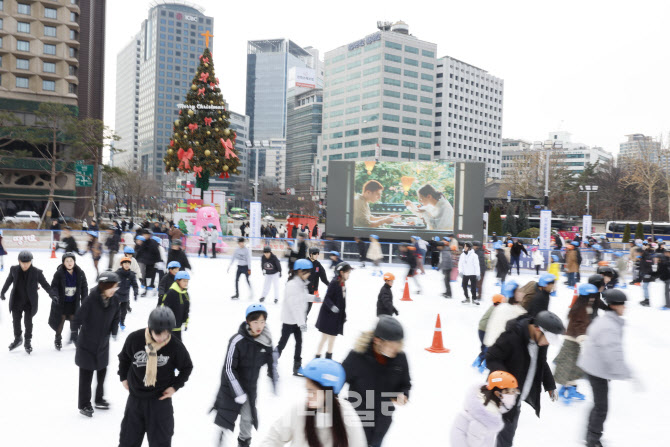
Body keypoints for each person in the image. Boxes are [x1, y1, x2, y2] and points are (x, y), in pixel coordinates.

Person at [485, 311, 565, 447]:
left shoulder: (541, 343)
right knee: (488, 435)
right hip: (500, 396)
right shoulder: (511, 337)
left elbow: (542, 363)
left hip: (515, 399)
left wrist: (550, 384)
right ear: (537, 329)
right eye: (548, 339)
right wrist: (506, 380)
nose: (548, 343)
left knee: (507, 437)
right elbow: (492, 358)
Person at [118, 307, 193, 446]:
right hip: (136, 401)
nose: (162, 338)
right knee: (128, 442)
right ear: (150, 327)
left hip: (160, 402)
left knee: (161, 443)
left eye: (166, 333)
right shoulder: (135, 339)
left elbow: (187, 367)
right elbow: (124, 359)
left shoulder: (174, 346)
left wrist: (175, 387)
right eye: (158, 333)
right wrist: (123, 377)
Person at [262, 358, 367, 446]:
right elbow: (273, 438)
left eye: (313, 392)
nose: (308, 396)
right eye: (307, 390)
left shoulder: (347, 415)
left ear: (328, 393)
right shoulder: (299, 411)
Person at [213, 304, 278, 447]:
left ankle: (243, 443)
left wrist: (274, 380)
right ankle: (221, 438)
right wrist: (237, 391)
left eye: (262, 321)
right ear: (248, 322)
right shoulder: (237, 340)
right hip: (231, 384)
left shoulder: (266, 342)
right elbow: (229, 369)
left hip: (249, 388)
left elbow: (271, 363)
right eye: (255, 322)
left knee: (247, 419)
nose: (259, 325)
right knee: (227, 415)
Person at [342, 316, 411, 447]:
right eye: (391, 346)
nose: (395, 350)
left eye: (398, 346)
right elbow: (337, 383)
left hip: (382, 423)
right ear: (377, 341)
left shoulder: (400, 359)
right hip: (356, 424)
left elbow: (405, 383)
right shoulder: (357, 357)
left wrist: (403, 394)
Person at [577, 289, 634, 447]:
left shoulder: (608, 321)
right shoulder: (609, 325)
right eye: (623, 305)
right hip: (597, 370)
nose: (625, 308)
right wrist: (627, 374)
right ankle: (593, 440)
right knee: (601, 407)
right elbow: (612, 353)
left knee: (598, 405)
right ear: (615, 306)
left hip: (594, 367)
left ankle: (590, 435)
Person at [72, 271, 120, 417]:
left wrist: (114, 330)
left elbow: (116, 316)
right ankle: (84, 404)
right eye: (112, 287)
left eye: (116, 287)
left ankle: (99, 399)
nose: (114, 290)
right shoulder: (91, 299)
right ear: (103, 286)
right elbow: (78, 317)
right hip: (87, 344)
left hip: (102, 344)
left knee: (101, 372)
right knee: (86, 376)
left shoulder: (115, 300)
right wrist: (74, 333)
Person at [2, 250, 56, 353]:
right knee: (16, 321)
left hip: (29, 302)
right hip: (16, 301)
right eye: (23, 262)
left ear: (31, 261)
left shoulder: (36, 272)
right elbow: (8, 281)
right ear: (19, 261)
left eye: (28, 262)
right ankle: (18, 338)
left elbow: (45, 285)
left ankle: (27, 340)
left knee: (28, 322)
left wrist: (52, 295)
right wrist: (3, 292)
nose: (25, 264)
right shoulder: (14, 269)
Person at [554, 283, 598, 405]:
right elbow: (578, 324)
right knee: (569, 367)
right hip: (572, 341)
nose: (594, 298)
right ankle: (567, 390)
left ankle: (569, 389)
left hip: (575, 341)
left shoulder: (584, 306)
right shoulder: (580, 308)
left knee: (574, 368)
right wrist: (582, 337)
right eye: (592, 295)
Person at [450, 371, 520, 447]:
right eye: (510, 392)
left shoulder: (488, 402)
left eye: (515, 391)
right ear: (497, 394)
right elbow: (473, 443)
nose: (513, 395)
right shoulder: (485, 415)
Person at [277, 259, 313, 376]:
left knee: (299, 343)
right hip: (289, 321)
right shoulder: (292, 285)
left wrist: (315, 298)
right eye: (307, 272)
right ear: (300, 271)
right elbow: (295, 307)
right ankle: (271, 364)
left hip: (297, 321)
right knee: (282, 344)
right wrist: (302, 323)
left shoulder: (301, 283)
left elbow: (302, 297)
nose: (309, 274)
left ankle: (297, 367)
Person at [48, 252, 89, 350]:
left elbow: (84, 287)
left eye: (71, 260)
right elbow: (54, 287)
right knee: (60, 320)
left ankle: (75, 338)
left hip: (73, 302)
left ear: (74, 262)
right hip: (61, 302)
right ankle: (58, 338)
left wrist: (85, 300)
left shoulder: (80, 273)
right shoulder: (59, 273)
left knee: (74, 320)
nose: (69, 263)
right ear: (63, 263)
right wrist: (54, 295)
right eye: (67, 261)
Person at [315, 262, 352, 359]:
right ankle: (317, 357)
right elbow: (327, 298)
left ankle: (328, 357)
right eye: (348, 272)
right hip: (328, 316)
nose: (349, 275)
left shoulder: (342, 283)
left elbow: (342, 302)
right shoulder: (334, 282)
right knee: (324, 338)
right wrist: (332, 307)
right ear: (341, 272)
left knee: (332, 338)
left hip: (336, 317)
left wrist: (343, 315)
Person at [483, 281, 527, 348]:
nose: (522, 293)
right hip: (499, 348)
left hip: (498, 347)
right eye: (518, 291)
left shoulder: (511, 308)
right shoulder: (506, 310)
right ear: (513, 293)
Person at [473, 294, 505, 373]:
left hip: (481, 329)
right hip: (485, 330)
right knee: (488, 348)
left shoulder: (492, 307)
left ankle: (477, 362)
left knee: (485, 347)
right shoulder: (497, 310)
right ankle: (483, 365)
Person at [160, 271, 190, 341]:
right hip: (168, 328)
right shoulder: (171, 293)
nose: (186, 283)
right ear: (177, 280)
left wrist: (186, 322)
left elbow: (186, 309)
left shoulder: (185, 294)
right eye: (184, 281)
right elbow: (164, 309)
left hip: (178, 327)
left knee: (178, 345)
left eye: (187, 281)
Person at [115, 257, 139, 331]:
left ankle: (122, 322)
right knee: (115, 310)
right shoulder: (117, 273)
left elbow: (135, 285)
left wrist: (135, 293)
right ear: (122, 264)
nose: (127, 265)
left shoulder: (131, 274)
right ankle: (114, 323)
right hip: (117, 295)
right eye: (125, 263)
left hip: (125, 296)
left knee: (124, 311)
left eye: (128, 263)